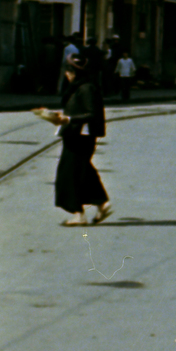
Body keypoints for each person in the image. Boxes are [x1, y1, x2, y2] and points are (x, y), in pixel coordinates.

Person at [42, 55, 112, 226]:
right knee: (83, 171)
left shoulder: (86, 88)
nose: (67, 75)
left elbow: (91, 113)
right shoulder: (80, 87)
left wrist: (68, 119)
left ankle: (79, 213)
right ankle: (102, 202)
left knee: (69, 174)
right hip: (75, 135)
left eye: (68, 71)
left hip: (81, 136)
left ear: (74, 72)